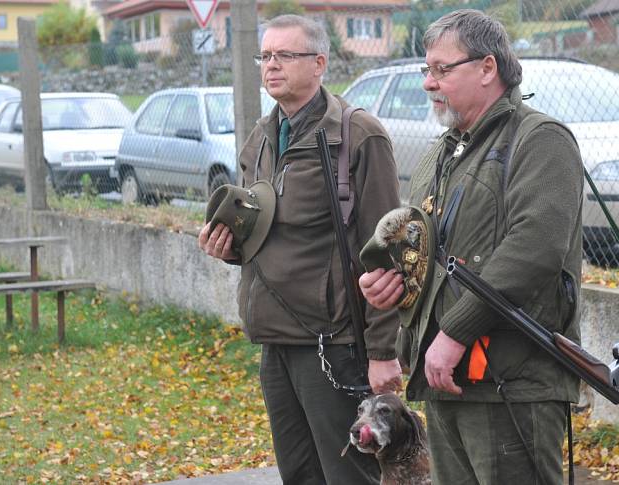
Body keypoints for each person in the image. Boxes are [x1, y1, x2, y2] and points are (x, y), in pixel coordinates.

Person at [359, 9, 584, 485]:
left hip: (512, 384)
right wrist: (389, 286)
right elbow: (421, 257)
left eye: (442, 69)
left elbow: (535, 248)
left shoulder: (540, 140)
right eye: (427, 70)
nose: (428, 83)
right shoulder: (440, 155)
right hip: (446, 382)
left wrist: (455, 332)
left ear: (487, 68)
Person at [198, 14, 402, 485]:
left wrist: (382, 351)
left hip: (333, 343)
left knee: (348, 476)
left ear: (319, 63)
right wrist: (227, 246)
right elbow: (259, 230)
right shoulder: (263, 137)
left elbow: (387, 252)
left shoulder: (356, 136)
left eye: (284, 55)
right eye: (265, 55)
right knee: (299, 474)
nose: (271, 65)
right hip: (275, 338)